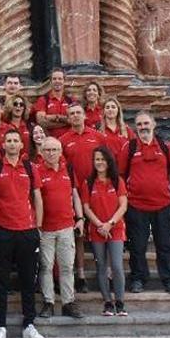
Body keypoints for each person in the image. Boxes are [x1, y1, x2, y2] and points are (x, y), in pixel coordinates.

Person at [0, 129, 46, 338]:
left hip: (27, 231)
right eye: (8, 140)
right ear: (4, 144)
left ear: (21, 145)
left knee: (28, 281)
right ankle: (0, 325)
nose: (12, 144)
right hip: (2, 230)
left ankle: (29, 323)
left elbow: (38, 198)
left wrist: (37, 226)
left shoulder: (30, 167)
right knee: (0, 281)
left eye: (15, 141)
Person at [118, 111, 170, 294]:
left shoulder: (165, 146)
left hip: (162, 205)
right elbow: (121, 175)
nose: (143, 127)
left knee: (165, 246)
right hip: (136, 205)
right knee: (137, 246)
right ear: (135, 127)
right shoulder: (128, 148)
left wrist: (167, 191)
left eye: (146, 123)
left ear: (153, 124)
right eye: (139, 124)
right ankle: (138, 279)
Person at [59, 103, 106, 292]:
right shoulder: (63, 140)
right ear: (68, 117)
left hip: (97, 189)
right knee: (78, 234)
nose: (76, 116)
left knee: (101, 229)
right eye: (72, 114)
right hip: (75, 192)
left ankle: (106, 271)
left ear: (85, 115)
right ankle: (80, 275)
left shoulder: (98, 137)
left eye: (79, 112)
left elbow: (107, 161)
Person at [36, 137, 84, 319]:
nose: (51, 153)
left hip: (66, 226)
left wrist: (79, 218)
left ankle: (68, 302)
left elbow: (75, 195)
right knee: (46, 266)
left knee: (66, 266)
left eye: (54, 149)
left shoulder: (68, 169)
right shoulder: (37, 171)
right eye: (47, 150)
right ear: (41, 152)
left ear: (60, 151)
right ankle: (48, 302)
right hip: (46, 228)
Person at [81, 147, 129, 316]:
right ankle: (107, 302)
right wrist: (100, 225)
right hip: (96, 230)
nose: (99, 162)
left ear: (109, 161)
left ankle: (120, 302)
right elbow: (86, 207)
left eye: (102, 159)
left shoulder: (117, 181)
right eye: (96, 159)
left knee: (116, 265)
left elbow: (123, 205)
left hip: (115, 228)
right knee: (101, 266)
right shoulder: (88, 183)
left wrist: (110, 223)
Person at [34, 68, 74, 138]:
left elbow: (74, 120)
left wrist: (54, 117)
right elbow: (42, 122)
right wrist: (66, 121)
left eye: (60, 79)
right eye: (54, 79)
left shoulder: (70, 101)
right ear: (50, 82)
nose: (57, 81)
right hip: (49, 141)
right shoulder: (43, 100)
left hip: (68, 139)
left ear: (64, 81)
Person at [99, 97, 135, 163]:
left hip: (124, 169)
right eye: (107, 107)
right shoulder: (99, 130)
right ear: (103, 111)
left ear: (118, 110)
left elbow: (134, 149)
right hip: (106, 168)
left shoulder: (127, 130)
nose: (110, 109)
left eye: (113, 107)